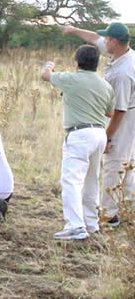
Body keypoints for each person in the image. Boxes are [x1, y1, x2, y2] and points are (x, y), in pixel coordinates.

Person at [61, 23, 135, 227]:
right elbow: (95, 38)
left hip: (125, 118)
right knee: (129, 166)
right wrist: (74, 29)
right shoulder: (122, 52)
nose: (104, 41)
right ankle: (127, 209)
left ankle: (110, 216)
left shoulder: (123, 72)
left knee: (115, 164)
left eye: (107, 39)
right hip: (126, 113)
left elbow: (119, 110)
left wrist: (107, 137)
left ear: (115, 42)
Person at [41, 45, 115, 240]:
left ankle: (75, 226)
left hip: (79, 134)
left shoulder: (70, 78)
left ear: (76, 62)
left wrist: (49, 65)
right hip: (99, 133)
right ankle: (91, 223)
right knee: (92, 180)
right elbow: (110, 112)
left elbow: (45, 75)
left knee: (71, 180)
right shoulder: (105, 85)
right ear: (96, 63)